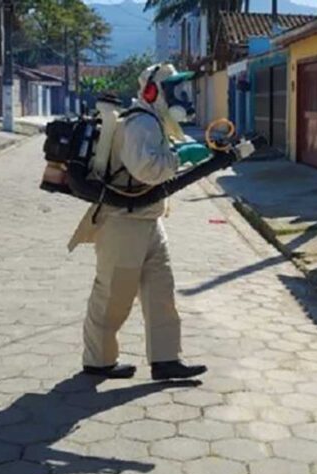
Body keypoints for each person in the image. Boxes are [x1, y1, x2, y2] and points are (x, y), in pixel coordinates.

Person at [67, 63, 212, 380]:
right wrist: (181, 159)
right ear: (152, 91)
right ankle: (98, 361)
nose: (183, 96)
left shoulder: (155, 122)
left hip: (148, 219)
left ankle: (165, 360)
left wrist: (182, 150)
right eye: (175, 89)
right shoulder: (139, 124)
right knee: (114, 294)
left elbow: (158, 160)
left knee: (161, 291)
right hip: (123, 223)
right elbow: (145, 170)